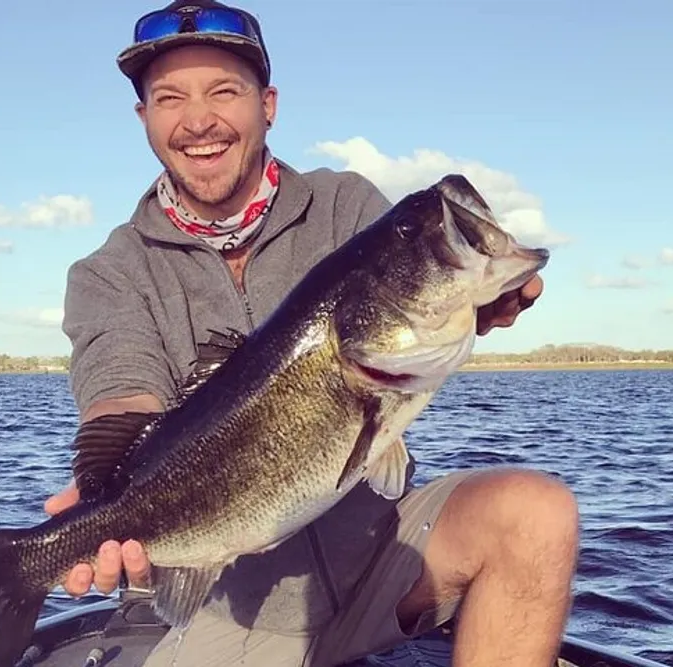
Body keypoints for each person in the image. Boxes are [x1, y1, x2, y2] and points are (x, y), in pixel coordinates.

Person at [47, 1, 579, 665]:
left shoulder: (348, 206)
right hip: (235, 604)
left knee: (536, 512)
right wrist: (101, 509)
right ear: (144, 118)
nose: (198, 119)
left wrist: (483, 302)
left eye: (224, 91)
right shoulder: (107, 273)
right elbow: (121, 397)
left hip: (384, 557)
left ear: (267, 104)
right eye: (170, 97)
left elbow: (414, 311)